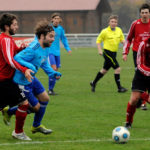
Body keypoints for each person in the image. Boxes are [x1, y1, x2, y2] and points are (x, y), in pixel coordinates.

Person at [2, 20, 62, 134]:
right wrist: (30, 66)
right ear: (42, 36)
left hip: (31, 78)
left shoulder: (46, 47)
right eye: (51, 36)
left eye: (54, 36)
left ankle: (36, 126)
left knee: (45, 99)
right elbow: (17, 58)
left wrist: (52, 73)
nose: (53, 39)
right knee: (35, 107)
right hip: (22, 81)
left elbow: (44, 63)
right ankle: (9, 112)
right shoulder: (33, 48)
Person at [0, 13, 34, 140]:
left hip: (6, 80)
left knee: (23, 104)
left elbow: (10, 55)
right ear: (7, 26)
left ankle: (18, 132)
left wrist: (21, 49)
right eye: (14, 24)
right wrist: (24, 69)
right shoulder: (6, 39)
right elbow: (9, 60)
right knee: (24, 104)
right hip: (4, 81)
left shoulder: (6, 39)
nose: (17, 27)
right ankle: (18, 132)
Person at [123, 3, 150, 110]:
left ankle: (141, 100)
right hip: (138, 55)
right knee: (142, 74)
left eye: (146, 12)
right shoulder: (135, 24)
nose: (144, 14)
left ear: (149, 13)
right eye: (142, 13)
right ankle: (142, 101)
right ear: (140, 14)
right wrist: (125, 53)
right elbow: (129, 39)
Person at [90, 15, 127, 93]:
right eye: (112, 22)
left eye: (115, 22)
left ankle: (93, 83)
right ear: (109, 22)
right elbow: (98, 41)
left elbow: (122, 40)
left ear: (117, 23)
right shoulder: (105, 31)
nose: (113, 23)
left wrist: (126, 46)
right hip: (107, 53)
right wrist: (99, 50)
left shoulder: (119, 30)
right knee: (117, 69)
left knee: (104, 70)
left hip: (114, 53)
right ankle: (119, 88)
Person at [125, 36, 150, 128]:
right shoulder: (143, 44)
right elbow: (140, 65)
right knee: (134, 99)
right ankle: (128, 122)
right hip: (141, 74)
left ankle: (142, 96)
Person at [48, 13, 71, 95]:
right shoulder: (48, 28)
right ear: (52, 19)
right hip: (49, 52)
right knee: (53, 70)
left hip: (57, 52)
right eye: (55, 18)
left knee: (56, 71)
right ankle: (50, 90)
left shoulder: (61, 29)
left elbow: (63, 39)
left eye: (58, 18)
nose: (57, 20)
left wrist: (68, 48)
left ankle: (51, 89)